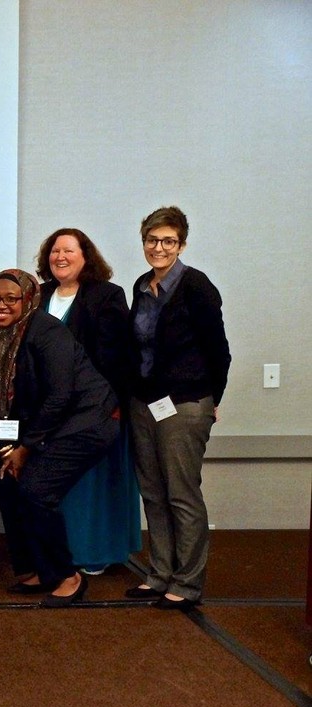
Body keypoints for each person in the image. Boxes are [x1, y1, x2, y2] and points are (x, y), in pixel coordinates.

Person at [0, 270, 119, 608]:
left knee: (36, 491)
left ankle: (67, 576)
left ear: (28, 300)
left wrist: (25, 448)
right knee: (5, 481)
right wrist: (12, 448)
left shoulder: (46, 332)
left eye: (10, 298)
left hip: (88, 422)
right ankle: (32, 570)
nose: (1, 305)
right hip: (51, 425)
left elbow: (59, 396)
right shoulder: (3, 335)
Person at [125, 207, 230, 610]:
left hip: (186, 403)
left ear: (182, 244)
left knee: (181, 494)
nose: (159, 247)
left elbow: (219, 350)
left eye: (168, 241)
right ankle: (159, 574)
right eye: (152, 240)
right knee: (152, 491)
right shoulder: (141, 286)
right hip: (145, 403)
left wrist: (211, 399)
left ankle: (186, 583)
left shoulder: (196, 286)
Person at [35, 228, 141, 574]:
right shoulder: (39, 295)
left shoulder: (106, 295)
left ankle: (94, 553)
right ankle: (61, 552)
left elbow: (117, 357)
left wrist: (109, 405)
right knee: (58, 486)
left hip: (95, 410)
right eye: (54, 251)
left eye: (68, 251)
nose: (60, 257)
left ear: (86, 256)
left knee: (91, 487)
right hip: (52, 410)